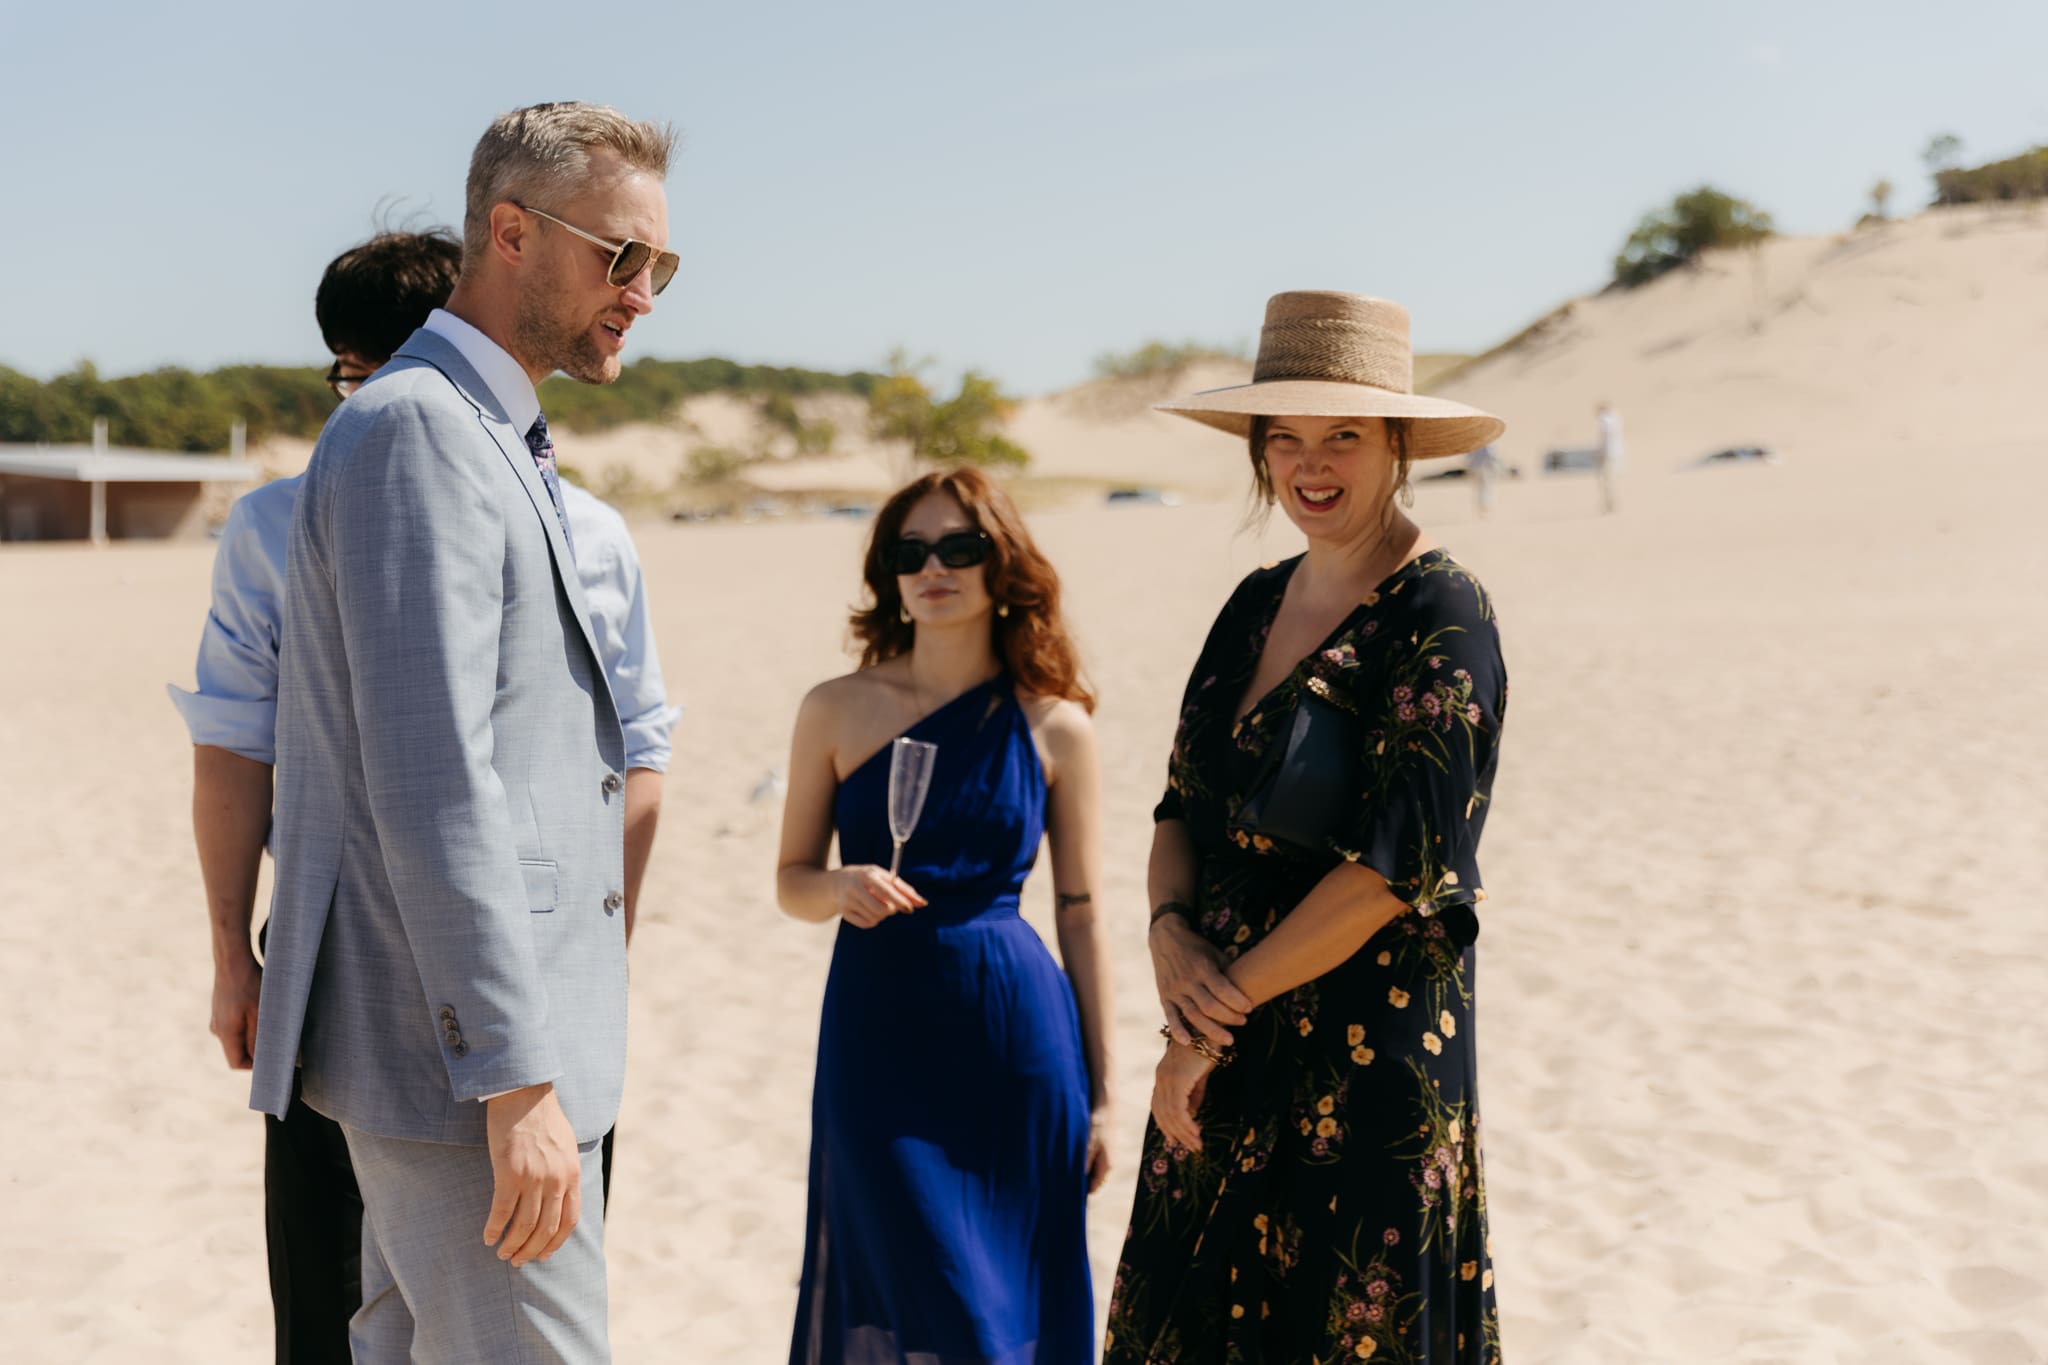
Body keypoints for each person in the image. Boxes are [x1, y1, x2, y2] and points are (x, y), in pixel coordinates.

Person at [168, 224, 675, 1362]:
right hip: (463, 963)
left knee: (384, 1303)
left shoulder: (278, 518)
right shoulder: (589, 528)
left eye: (367, 370)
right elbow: (634, 760)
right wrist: (597, 944)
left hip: (350, 952)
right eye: (351, 374)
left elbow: (234, 750)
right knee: (461, 1300)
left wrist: (231, 952)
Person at [1105, 292, 1508, 1364]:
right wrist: (1165, 931)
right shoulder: (1251, 601)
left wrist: (1201, 1022)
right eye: (1281, 436)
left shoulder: (1442, 614)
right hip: (1221, 1048)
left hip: (1362, 1060)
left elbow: (1396, 869)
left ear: (1397, 447)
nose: (1307, 463)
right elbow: (1176, 807)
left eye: (1341, 434)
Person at [776, 466, 1113, 1365]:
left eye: (961, 547)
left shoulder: (1055, 727)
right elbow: (790, 878)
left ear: (1002, 565)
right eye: (910, 551)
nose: (936, 568)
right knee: (925, 1292)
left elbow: (1079, 913)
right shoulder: (836, 708)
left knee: (1003, 1312)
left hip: (1015, 1039)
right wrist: (840, 887)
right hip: (877, 1038)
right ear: (888, 572)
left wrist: (1106, 1096)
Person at [1595, 400, 1623, 514]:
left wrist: (1600, 452)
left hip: (1608, 453)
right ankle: (1611, 504)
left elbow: (1605, 437)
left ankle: (1609, 505)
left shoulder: (1605, 420)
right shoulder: (1615, 417)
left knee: (1606, 480)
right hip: (1616, 452)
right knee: (1611, 479)